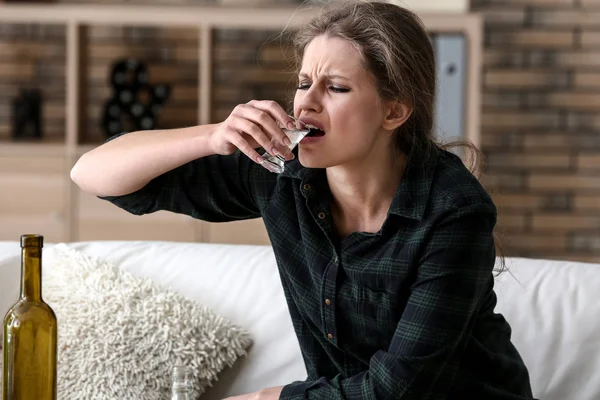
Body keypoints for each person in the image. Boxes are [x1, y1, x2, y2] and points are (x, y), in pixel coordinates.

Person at [71, 1, 536, 399]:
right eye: (302, 82)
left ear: (394, 111)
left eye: (335, 88)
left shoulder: (454, 211)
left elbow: (399, 388)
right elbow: (94, 174)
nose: (305, 104)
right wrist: (213, 135)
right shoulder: (281, 172)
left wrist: (267, 398)